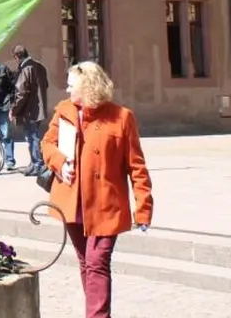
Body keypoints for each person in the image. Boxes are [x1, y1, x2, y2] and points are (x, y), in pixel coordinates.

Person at [42, 61, 153, 318]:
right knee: (86, 263)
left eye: (72, 85)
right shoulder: (64, 111)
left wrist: (143, 209)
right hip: (72, 202)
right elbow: (47, 143)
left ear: (88, 86)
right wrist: (59, 163)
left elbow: (137, 168)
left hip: (106, 206)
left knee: (97, 263)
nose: (67, 90)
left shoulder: (122, 117)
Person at [9, 44, 49, 176]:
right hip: (38, 107)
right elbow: (45, 85)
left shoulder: (26, 68)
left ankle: (37, 164)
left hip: (30, 110)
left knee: (32, 137)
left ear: (17, 57)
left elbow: (21, 92)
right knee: (32, 136)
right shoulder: (39, 66)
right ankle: (34, 163)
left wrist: (14, 110)